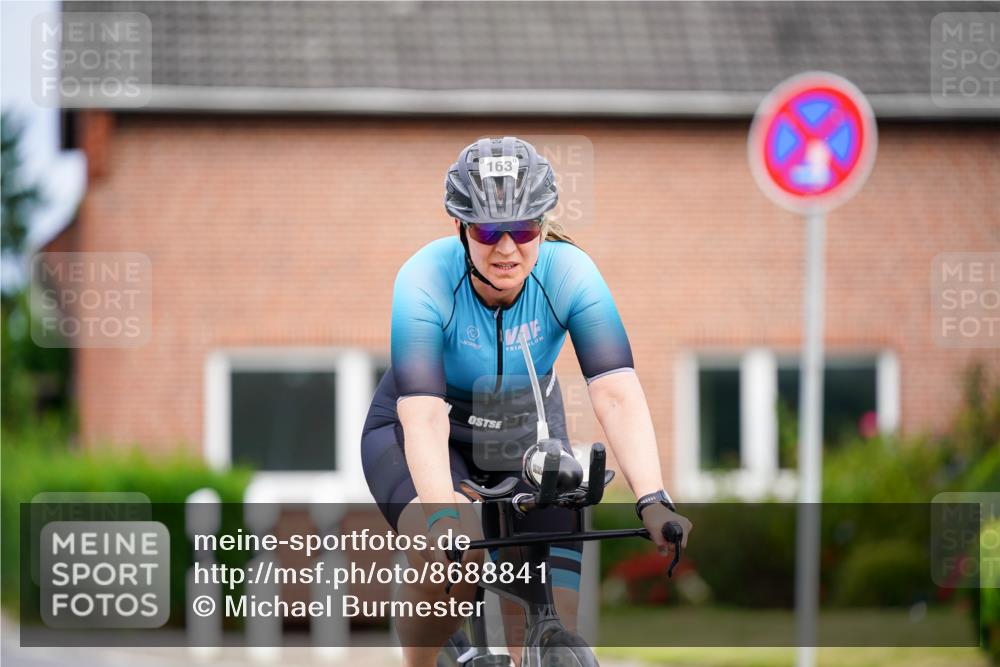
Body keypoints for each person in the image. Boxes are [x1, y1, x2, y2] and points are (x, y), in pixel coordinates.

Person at [361, 136, 693, 667]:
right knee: (453, 562)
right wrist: (443, 517)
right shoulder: (423, 279)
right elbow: (423, 415)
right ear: (461, 229)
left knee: (550, 610)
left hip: (523, 425)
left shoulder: (570, 273)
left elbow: (614, 390)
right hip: (418, 430)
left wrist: (652, 497)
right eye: (489, 230)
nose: (507, 248)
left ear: (543, 225)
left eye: (524, 228)